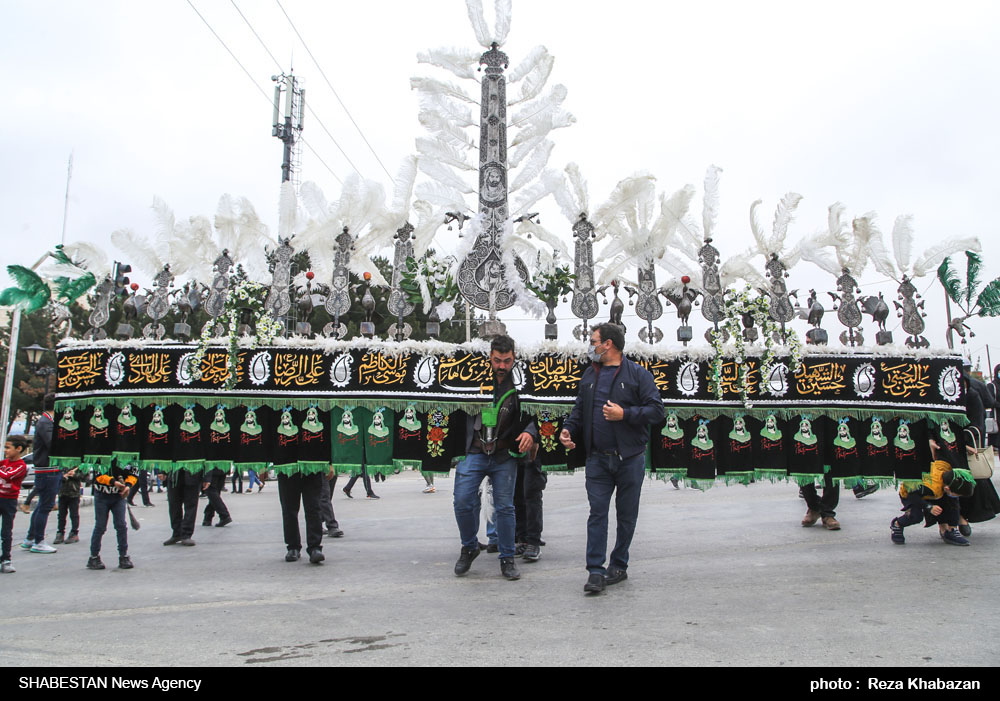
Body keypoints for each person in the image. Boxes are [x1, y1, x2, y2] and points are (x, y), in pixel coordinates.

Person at [559, 323, 664, 594]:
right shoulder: (589, 375)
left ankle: (619, 565)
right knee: (597, 513)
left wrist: (625, 414)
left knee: (626, 516)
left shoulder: (638, 374)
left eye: (594, 341)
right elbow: (579, 411)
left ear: (608, 344)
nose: (591, 346)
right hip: (597, 460)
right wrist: (569, 429)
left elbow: (656, 411)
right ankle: (595, 571)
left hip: (630, 459)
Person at [453, 335, 537, 581]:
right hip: (474, 451)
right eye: (497, 360)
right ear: (489, 357)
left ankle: (507, 557)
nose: (502, 366)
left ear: (514, 358)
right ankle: (469, 546)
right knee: (462, 501)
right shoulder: (471, 375)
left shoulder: (522, 380)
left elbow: (537, 408)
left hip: (505, 454)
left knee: (505, 507)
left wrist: (530, 433)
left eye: (507, 361)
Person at [890, 439, 975, 545]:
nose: (957, 496)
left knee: (953, 503)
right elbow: (913, 496)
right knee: (916, 516)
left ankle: (951, 530)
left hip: (934, 490)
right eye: (957, 493)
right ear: (948, 488)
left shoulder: (947, 469)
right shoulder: (931, 487)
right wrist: (928, 507)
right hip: (911, 492)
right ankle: (897, 524)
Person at [22, 394, 59, 554]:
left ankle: (31, 538)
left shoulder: (46, 421)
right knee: (45, 505)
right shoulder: (46, 423)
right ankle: (38, 540)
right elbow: (53, 444)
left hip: (47, 469)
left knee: (42, 504)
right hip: (48, 469)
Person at [88, 459, 140, 569]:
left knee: (121, 525)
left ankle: (123, 556)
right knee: (100, 526)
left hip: (118, 496)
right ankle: (94, 557)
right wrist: (113, 482)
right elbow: (99, 474)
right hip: (102, 494)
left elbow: (134, 473)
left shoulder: (129, 456)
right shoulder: (102, 454)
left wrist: (128, 485)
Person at [278, 467, 328, 564]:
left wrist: (329, 464)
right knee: (289, 508)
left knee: (314, 507)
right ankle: (293, 547)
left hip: (312, 464)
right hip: (287, 464)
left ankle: (315, 547)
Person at [0, 435, 31, 573]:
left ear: (18, 449)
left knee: (6, 531)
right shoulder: (4, 463)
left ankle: (6, 560)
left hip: (9, 501)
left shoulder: (21, 466)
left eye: (8, 447)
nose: (5, 450)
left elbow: (7, 476)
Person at [514, 455, 546, 562]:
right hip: (513, 450)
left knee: (532, 492)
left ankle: (533, 541)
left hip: (534, 451)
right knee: (516, 494)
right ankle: (522, 539)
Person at [53, 465, 85, 544]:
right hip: (62, 493)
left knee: (74, 514)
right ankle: (60, 533)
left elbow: (84, 477)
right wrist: (63, 476)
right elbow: (56, 476)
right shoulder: (62, 464)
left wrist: (73, 475)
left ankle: (74, 533)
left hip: (74, 493)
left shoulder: (79, 464)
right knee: (61, 515)